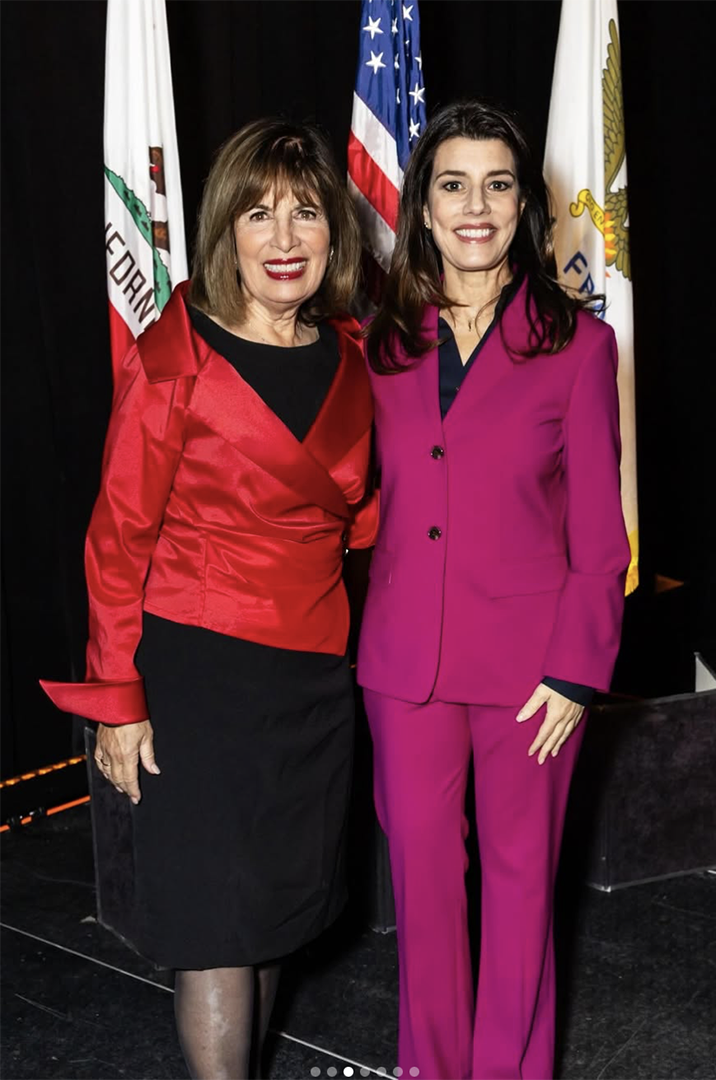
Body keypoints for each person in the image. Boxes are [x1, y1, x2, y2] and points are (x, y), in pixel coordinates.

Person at [41, 118, 374, 1078]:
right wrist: (117, 701)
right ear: (224, 226)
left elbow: (362, 518)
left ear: (333, 234)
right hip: (198, 677)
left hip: (313, 681)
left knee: (274, 919)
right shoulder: (173, 360)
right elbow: (115, 542)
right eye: (260, 214)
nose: (284, 239)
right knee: (220, 930)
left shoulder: (351, 357)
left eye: (306, 213)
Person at [359, 99, 627, 1080]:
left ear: (527, 206)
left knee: (520, 897)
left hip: (532, 676)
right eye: (453, 184)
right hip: (403, 667)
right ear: (423, 206)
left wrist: (576, 673)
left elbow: (602, 539)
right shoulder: (379, 342)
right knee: (423, 897)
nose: (476, 205)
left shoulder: (580, 349)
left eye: (499, 184)